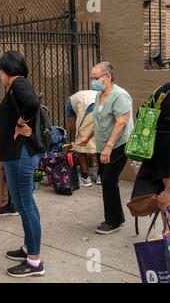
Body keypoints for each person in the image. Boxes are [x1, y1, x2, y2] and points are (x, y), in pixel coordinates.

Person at [0, 51, 45, 278]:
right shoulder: (18, 85)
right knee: (26, 203)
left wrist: (19, 124)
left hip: (19, 154)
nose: (0, 75)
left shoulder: (18, 85)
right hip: (18, 153)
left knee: (24, 205)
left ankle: (34, 262)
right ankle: (28, 248)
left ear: (7, 70)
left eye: (0, 70)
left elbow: (33, 103)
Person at [78, 62, 134, 235]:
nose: (93, 81)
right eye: (92, 78)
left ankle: (113, 221)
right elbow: (98, 119)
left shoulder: (120, 96)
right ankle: (115, 218)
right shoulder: (99, 95)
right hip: (103, 146)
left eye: (96, 78)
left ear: (108, 77)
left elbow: (121, 123)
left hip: (117, 145)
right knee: (108, 182)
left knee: (109, 179)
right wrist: (87, 137)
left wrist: (108, 147)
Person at [131, 83, 170, 226]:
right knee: (165, 204)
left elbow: (140, 113)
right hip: (162, 159)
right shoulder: (164, 89)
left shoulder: (163, 89)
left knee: (165, 202)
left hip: (161, 158)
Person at [66, 89, 100, 187]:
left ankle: (85, 178)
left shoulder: (69, 101)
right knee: (100, 144)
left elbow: (72, 123)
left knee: (81, 145)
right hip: (103, 110)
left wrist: (77, 136)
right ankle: (101, 176)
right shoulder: (95, 93)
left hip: (89, 112)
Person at [0, 113, 18, 216]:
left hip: (8, 150)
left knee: (10, 177)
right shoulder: (15, 114)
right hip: (18, 149)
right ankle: (15, 205)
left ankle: (13, 206)